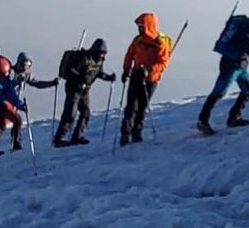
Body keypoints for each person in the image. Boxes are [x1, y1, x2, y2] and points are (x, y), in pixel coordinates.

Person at [198, 2, 249, 134]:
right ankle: (203, 121)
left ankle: (233, 118)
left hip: (239, 65)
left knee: (247, 90)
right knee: (219, 92)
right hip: (232, 65)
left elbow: (247, 47)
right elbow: (248, 47)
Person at [0, 52, 57, 156]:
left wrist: (51, 83)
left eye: (28, 65)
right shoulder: (10, 73)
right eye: (24, 64)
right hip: (5, 102)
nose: (25, 67)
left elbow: (37, 83)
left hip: (13, 103)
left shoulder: (26, 75)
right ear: (19, 62)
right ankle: (15, 144)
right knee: (17, 120)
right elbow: (6, 86)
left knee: (2, 123)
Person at [120, 13, 172, 146]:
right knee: (131, 106)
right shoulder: (138, 40)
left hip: (150, 80)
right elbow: (129, 54)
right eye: (139, 27)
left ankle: (137, 132)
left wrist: (149, 70)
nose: (139, 29)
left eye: (142, 26)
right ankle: (125, 133)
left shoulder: (160, 43)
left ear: (149, 26)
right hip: (137, 75)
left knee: (142, 107)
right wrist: (126, 70)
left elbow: (163, 63)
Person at [53, 39, 117, 147]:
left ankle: (77, 136)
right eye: (100, 52)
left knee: (85, 113)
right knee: (70, 113)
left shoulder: (98, 61)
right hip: (73, 88)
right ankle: (59, 138)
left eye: (103, 53)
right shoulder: (84, 58)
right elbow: (72, 70)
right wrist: (80, 79)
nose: (101, 55)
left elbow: (99, 74)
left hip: (84, 90)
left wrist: (109, 77)